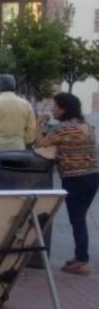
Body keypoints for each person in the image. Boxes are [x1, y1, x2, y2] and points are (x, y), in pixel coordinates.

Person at [34, 93, 98, 276]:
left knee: (77, 220)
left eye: (55, 106)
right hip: (92, 177)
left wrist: (38, 122)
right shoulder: (85, 125)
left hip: (75, 179)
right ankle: (79, 255)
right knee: (79, 218)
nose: (53, 109)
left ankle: (82, 262)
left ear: (63, 109)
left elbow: (40, 144)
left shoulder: (64, 129)